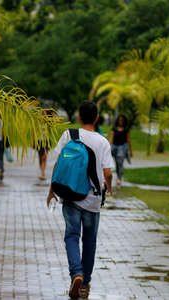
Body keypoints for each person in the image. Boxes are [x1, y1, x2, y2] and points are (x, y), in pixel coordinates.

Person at [47, 101, 113, 299]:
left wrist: (51, 191)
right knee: (90, 240)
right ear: (96, 118)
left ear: (79, 117)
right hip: (92, 198)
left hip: (70, 195)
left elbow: (58, 165)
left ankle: (76, 272)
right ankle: (85, 283)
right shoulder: (103, 142)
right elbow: (108, 173)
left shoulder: (69, 135)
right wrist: (108, 189)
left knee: (71, 236)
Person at [109, 115, 133, 188]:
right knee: (116, 163)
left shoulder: (126, 130)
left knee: (120, 163)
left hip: (122, 148)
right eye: (119, 120)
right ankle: (116, 176)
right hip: (114, 147)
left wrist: (130, 151)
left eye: (122, 120)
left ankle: (119, 179)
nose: (120, 122)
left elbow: (128, 140)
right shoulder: (114, 129)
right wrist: (107, 148)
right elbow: (111, 139)